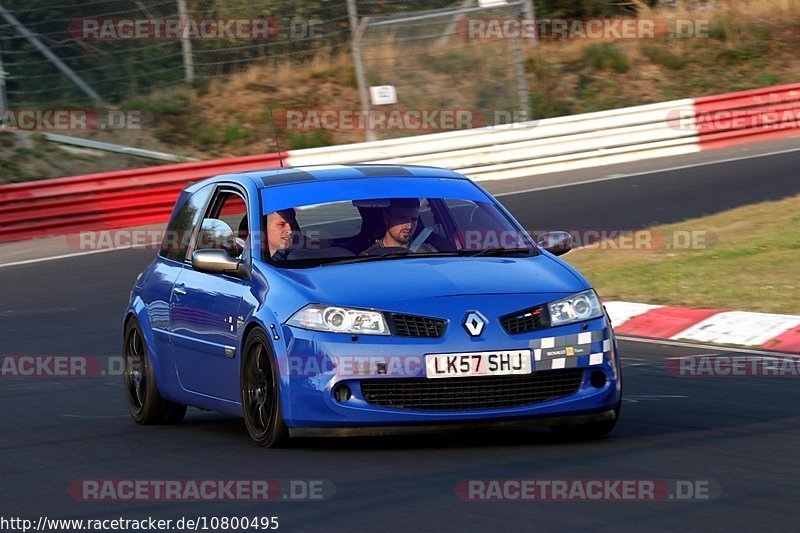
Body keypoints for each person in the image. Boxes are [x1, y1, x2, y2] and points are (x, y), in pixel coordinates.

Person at [361, 198, 437, 255]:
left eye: (414, 220)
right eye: (402, 219)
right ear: (386, 218)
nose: (409, 226)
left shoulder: (428, 253)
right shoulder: (369, 258)